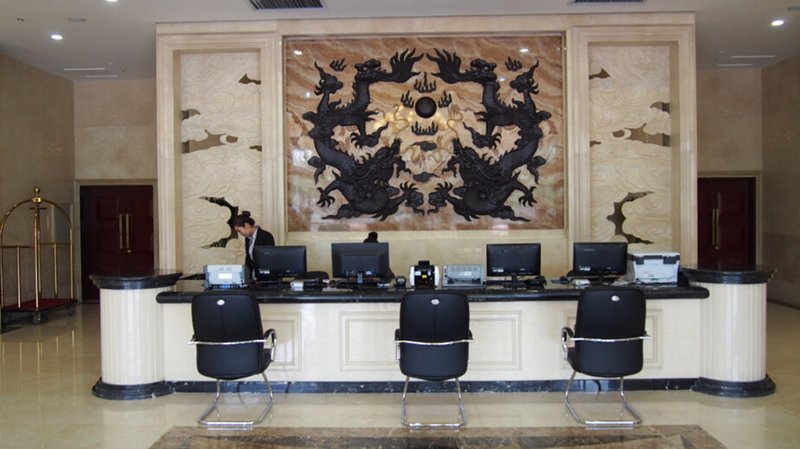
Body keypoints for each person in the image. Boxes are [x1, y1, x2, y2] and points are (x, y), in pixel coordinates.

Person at [232, 210, 275, 276]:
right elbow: (249, 259)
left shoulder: (266, 236)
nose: (240, 234)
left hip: (266, 277)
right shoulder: (247, 238)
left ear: (246, 225)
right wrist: (247, 276)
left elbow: (270, 259)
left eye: (239, 231)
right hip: (254, 277)